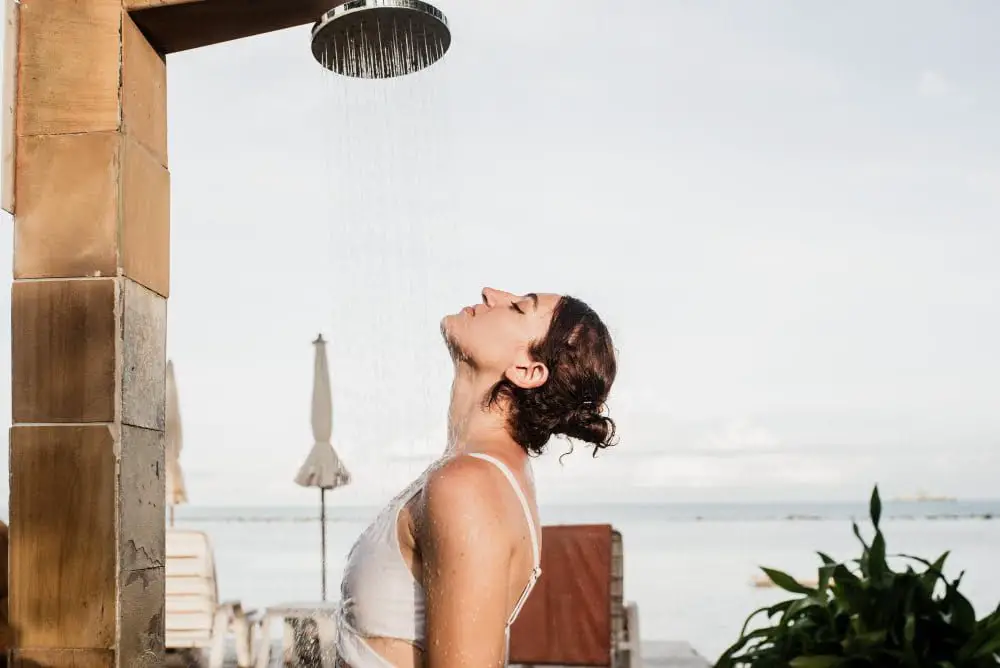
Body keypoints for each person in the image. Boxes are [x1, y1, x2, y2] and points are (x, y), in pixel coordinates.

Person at [334, 288, 618, 667]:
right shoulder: (473, 473)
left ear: (528, 371)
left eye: (518, 308)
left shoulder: (470, 486)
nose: (490, 292)